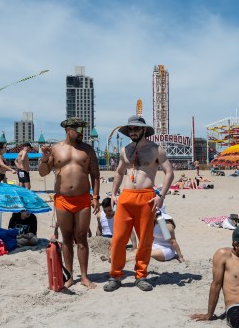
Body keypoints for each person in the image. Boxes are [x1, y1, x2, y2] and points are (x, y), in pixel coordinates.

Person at [105, 115, 174, 293]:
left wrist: (162, 196)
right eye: (130, 129)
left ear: (144, 130)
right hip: (126, 197)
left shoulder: (156, 149)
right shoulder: (124, 150)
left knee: (144, 240)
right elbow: (119, 172)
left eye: (136, 129)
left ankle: (141, 275)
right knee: (119, 239)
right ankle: (115, 275)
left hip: (147, 197)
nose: (133, 132)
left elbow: (169, 173)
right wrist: (113, 193)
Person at [39, 117, 100, 289]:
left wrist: (95, 197)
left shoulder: (88, 150)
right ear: (67, 129)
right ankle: (70, 276)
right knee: (66, 238)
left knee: (82, 238)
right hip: (63, 199)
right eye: (77, 129)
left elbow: (95, 174)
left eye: (82, 129)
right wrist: (45, 158)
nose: (81, 132)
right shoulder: (56, 149)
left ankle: (85, 276)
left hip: (82, 199)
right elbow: (43, 173)